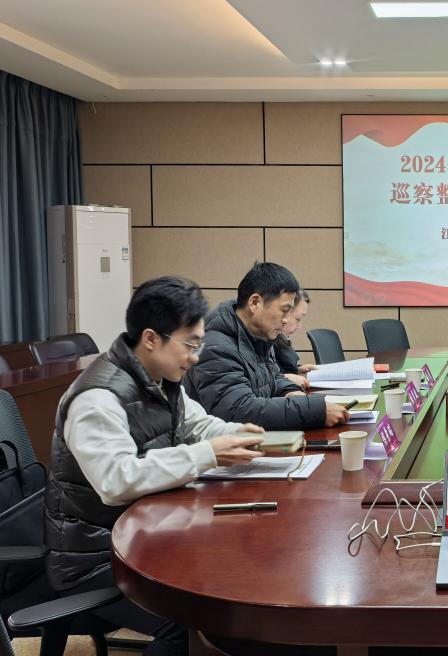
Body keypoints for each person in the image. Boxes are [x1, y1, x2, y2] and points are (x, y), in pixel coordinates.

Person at [44, 277, 266, 656]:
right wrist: (209, 453)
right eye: (190, 344)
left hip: (145, 535)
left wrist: (239, 435)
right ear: (151, 338)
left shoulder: (161, 378)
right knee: (196, 615)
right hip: (98, 558)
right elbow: (116, 480)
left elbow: (197, 425)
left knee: (237, 569)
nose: (195, 356)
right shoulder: (98, 399)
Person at [186, 262, 349, 430]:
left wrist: (291, 392)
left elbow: (273, 378)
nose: (286, 319)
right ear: (255, 302)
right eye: (284, 310)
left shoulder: (259, 335)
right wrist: (313, 410)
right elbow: (238, 410)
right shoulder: (216, 346)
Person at [274, 288, 313, 387]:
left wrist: (297, 370)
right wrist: (285, 377)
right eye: (298, 319)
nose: (299, 326)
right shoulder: (266, 340)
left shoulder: (279, 338)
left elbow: (276, 370)